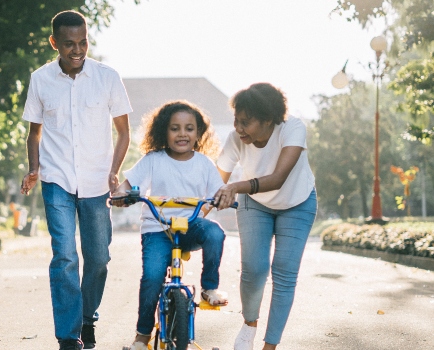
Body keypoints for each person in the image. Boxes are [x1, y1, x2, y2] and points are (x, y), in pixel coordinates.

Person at [19, 10, 132, 350]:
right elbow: (33, 135)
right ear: (55, 43)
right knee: (65, 256)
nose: (77, 50)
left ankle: (87, 318)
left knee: (98, 259)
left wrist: (114, 170)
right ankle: (69, 336)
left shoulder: (107, 77)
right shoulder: (41, 79)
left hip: (98, 183)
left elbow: (124, 133)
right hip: (56, 180)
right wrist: (34, 168)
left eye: (82, 42)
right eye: (69, 44)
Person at [111, 101, 229, 350]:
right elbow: (127, 185)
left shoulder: (204, 163)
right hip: (158, 228)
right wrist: (122, 194)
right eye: (175, 128)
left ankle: (209, 287)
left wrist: (224, 197)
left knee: (215, 233)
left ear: (198, 133)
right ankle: (142, 336)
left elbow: (219, 192)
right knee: (153, 277)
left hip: (191, 226)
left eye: (189, 128)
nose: (182, 134)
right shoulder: (153, 159)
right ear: (164, 131)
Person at [212, 83, 317, 350]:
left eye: (246, 122)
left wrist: (234, 187)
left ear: (268, 119)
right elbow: (216, 181)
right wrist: (195, 211)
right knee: (254, 269)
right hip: (255, 204)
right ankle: (249, 325)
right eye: (236, 120)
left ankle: (270, 346)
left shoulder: (293, 128)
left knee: (284, 272)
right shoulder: (237, 139)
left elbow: (278, 179)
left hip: (297, 203)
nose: (238, 128)